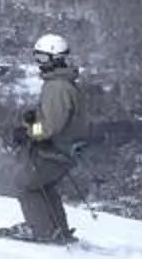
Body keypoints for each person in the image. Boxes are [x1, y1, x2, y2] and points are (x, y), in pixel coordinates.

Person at [8, 33, 87, 244]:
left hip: (55, 149)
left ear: (55, 58)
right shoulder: (61, 83)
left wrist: (29, 131)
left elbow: (51, 126)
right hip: (65, 149)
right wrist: (34, 120)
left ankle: (41, 230)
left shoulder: (58, 86)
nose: (39, 64)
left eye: (42, 58)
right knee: (44, 186)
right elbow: (56, 117)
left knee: (25, 184)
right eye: (37, 58)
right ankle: (57, 229)